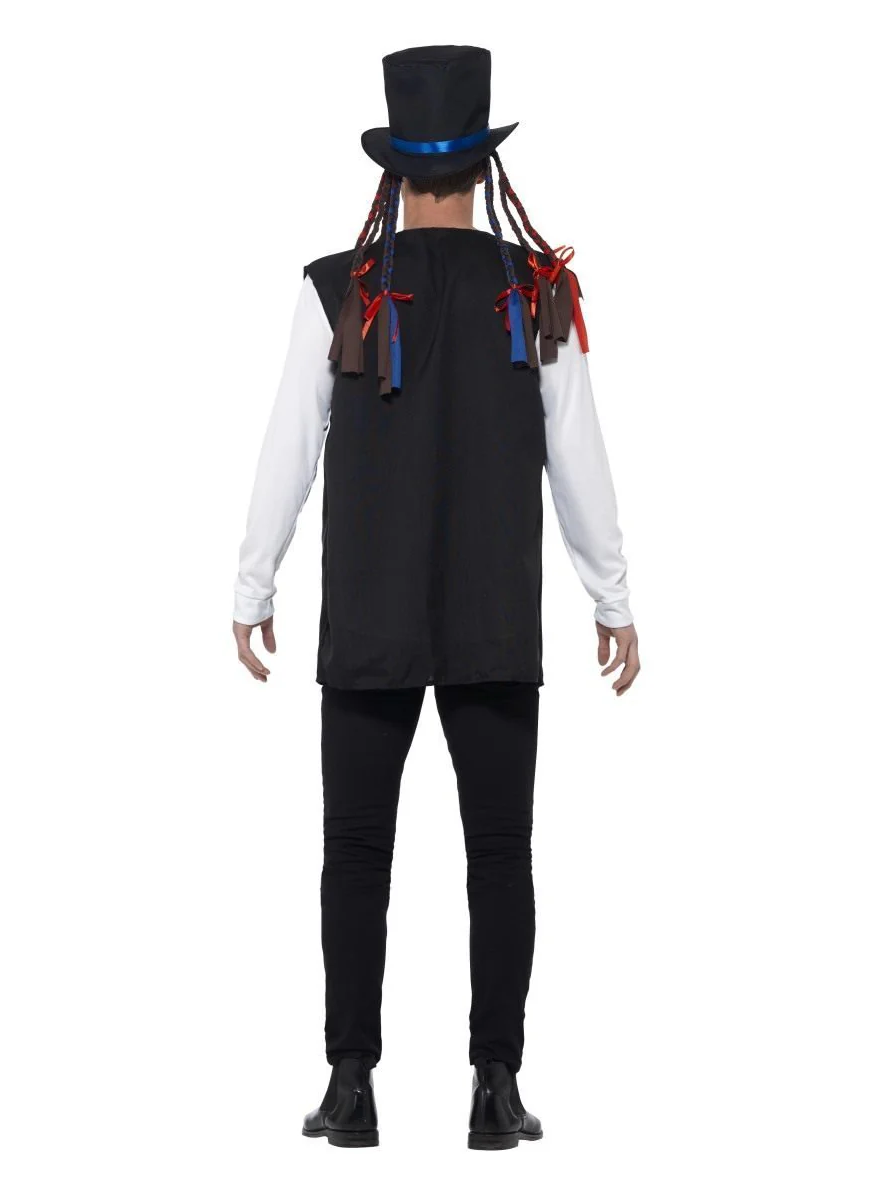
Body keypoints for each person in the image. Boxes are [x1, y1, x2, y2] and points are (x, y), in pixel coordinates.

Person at [232, 44, 640, 1150]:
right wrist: (611, 599)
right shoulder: (536, 289)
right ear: (482, 165)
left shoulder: (338, 288)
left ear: (398, 169)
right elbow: (579, 457)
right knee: (500, 852)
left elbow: (287, 448)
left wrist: (254, 581)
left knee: (355, 850)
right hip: (494, 615)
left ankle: (350, 1087)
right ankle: (495, 1089)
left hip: (367, 615)